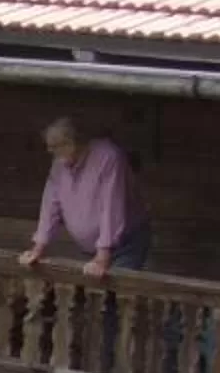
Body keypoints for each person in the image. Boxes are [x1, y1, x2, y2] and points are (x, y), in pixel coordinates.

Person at [18, 116, 150, 278]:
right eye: (50, 148)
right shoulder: (60, 162)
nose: (51, 152)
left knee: (117, 288)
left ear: (72, 141)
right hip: (90, 248)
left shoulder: (108, 157)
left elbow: (112, 206)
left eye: (56, 146)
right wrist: (38, 247)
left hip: (125, 244)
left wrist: (103, 254)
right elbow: (50, 204)